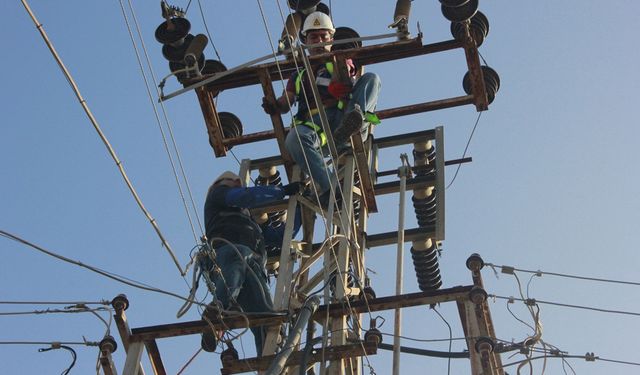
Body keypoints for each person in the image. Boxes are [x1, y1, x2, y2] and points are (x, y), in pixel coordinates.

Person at [262, 11, 381, 207]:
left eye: (323, 36)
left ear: (331, 39)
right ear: (306, 41)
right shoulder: (299, 75)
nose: (318, 41)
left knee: (372, 79)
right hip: (315, 125)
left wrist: (340, 81)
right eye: (313, 37)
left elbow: (349, 76)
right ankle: (330, 187)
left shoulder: (341, 61)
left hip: (345, 116)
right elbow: (287, 100)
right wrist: (274, 105)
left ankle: (353, 121)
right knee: (294, 139)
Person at [200, 171, 302, 355]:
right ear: (218, 184)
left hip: (252, 266)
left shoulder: (249, 221)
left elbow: (282, 237)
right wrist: (281, 191)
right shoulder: (218, 195)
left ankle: (268, 360)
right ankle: (217, 313)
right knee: (238, 262)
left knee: (266, 317)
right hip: (228, 252)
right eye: (232, 180)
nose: (238, 182)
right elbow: (246, 196)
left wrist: (302, 208)